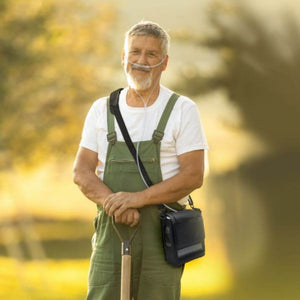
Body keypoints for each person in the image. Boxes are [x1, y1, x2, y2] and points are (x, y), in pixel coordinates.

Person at [73, 20, 209, 300]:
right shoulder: (102, 109)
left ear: (165, 63)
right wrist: (115, 203)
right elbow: (82, 172)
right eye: (134, 52)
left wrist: (138, 199)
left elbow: (193, 175)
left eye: (151, 54)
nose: (141, 61)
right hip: (111, 229)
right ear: (124, 58)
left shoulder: (182, 110)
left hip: (162, 236)